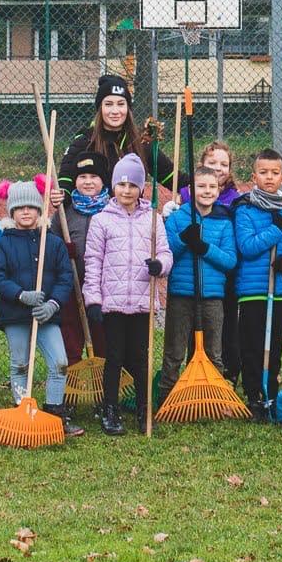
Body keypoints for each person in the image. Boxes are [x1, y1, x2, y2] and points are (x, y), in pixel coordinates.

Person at [84, 153, 172, 436]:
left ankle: (145, 409)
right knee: (115, 357)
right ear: (113, 186)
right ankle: (111, 409)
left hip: (143, 301)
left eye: (133, 185)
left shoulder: (153, 219)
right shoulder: (101, 221)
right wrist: (93, 299)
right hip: (113, 302)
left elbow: (165, 253)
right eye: (121, 185)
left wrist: (160, 266)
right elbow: (93, 261)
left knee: (141, 358)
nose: (126, 190)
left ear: (141, 188)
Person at [0, 178, 80, 436]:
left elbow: (65, 277)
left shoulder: (51, 242)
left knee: (60, 363)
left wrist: (53, 304)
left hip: (46, 315)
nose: (26, 212)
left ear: (40, 210)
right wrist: (20, 295)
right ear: (12, 211)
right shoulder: (3, 243)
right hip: (15, 314)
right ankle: (21, 410)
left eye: (31, 207)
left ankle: (55, 413)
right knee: (20, 364)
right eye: (20, 208)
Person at [232, 148, 282, 417]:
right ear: (254, 177)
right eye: (263, 172)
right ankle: (254, 394)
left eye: (275, 173)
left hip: (278, 290)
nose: (269, 177)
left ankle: (271, 394)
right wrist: (275, 230)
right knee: (252, 345)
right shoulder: (245, 210)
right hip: (253, 290)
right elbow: (247, 246)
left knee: (273, 346)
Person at [161, 165, 237, 390]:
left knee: (213, 352)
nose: (207, 191)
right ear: (191, 190)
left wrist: (204, 248)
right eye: (201, 186)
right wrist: (183, 239)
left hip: (212, 297)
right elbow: (166, 253)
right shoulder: (177, 219)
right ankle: (167, 396)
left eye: (212, 187)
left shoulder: (224, 222)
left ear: (218, 190)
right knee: (174, 351)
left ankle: (213, 395)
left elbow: (230, 261)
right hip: (181, 295)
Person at [44, 151, 109, 371]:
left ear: (103, 181)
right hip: (72, 284)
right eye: (82, 177)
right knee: (70, 335)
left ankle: (104, 381)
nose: (88, 182)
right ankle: (71, 380)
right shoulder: (65, 213)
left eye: (94, 176)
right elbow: (51, 246)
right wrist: (64, 252)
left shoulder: (112, 211)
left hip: (104, 287)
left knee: (102, 336)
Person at [54, 75, 172, 195]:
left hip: (131, 206)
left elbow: (171, 176)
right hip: (94, 207)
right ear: (100, 108)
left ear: (128, 108)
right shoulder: (85, 140)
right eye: (108, 104)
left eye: (121, 104)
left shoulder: (141, 142)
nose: (115, 111)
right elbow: (66, 179)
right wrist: (62, 195)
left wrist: (184, 190)